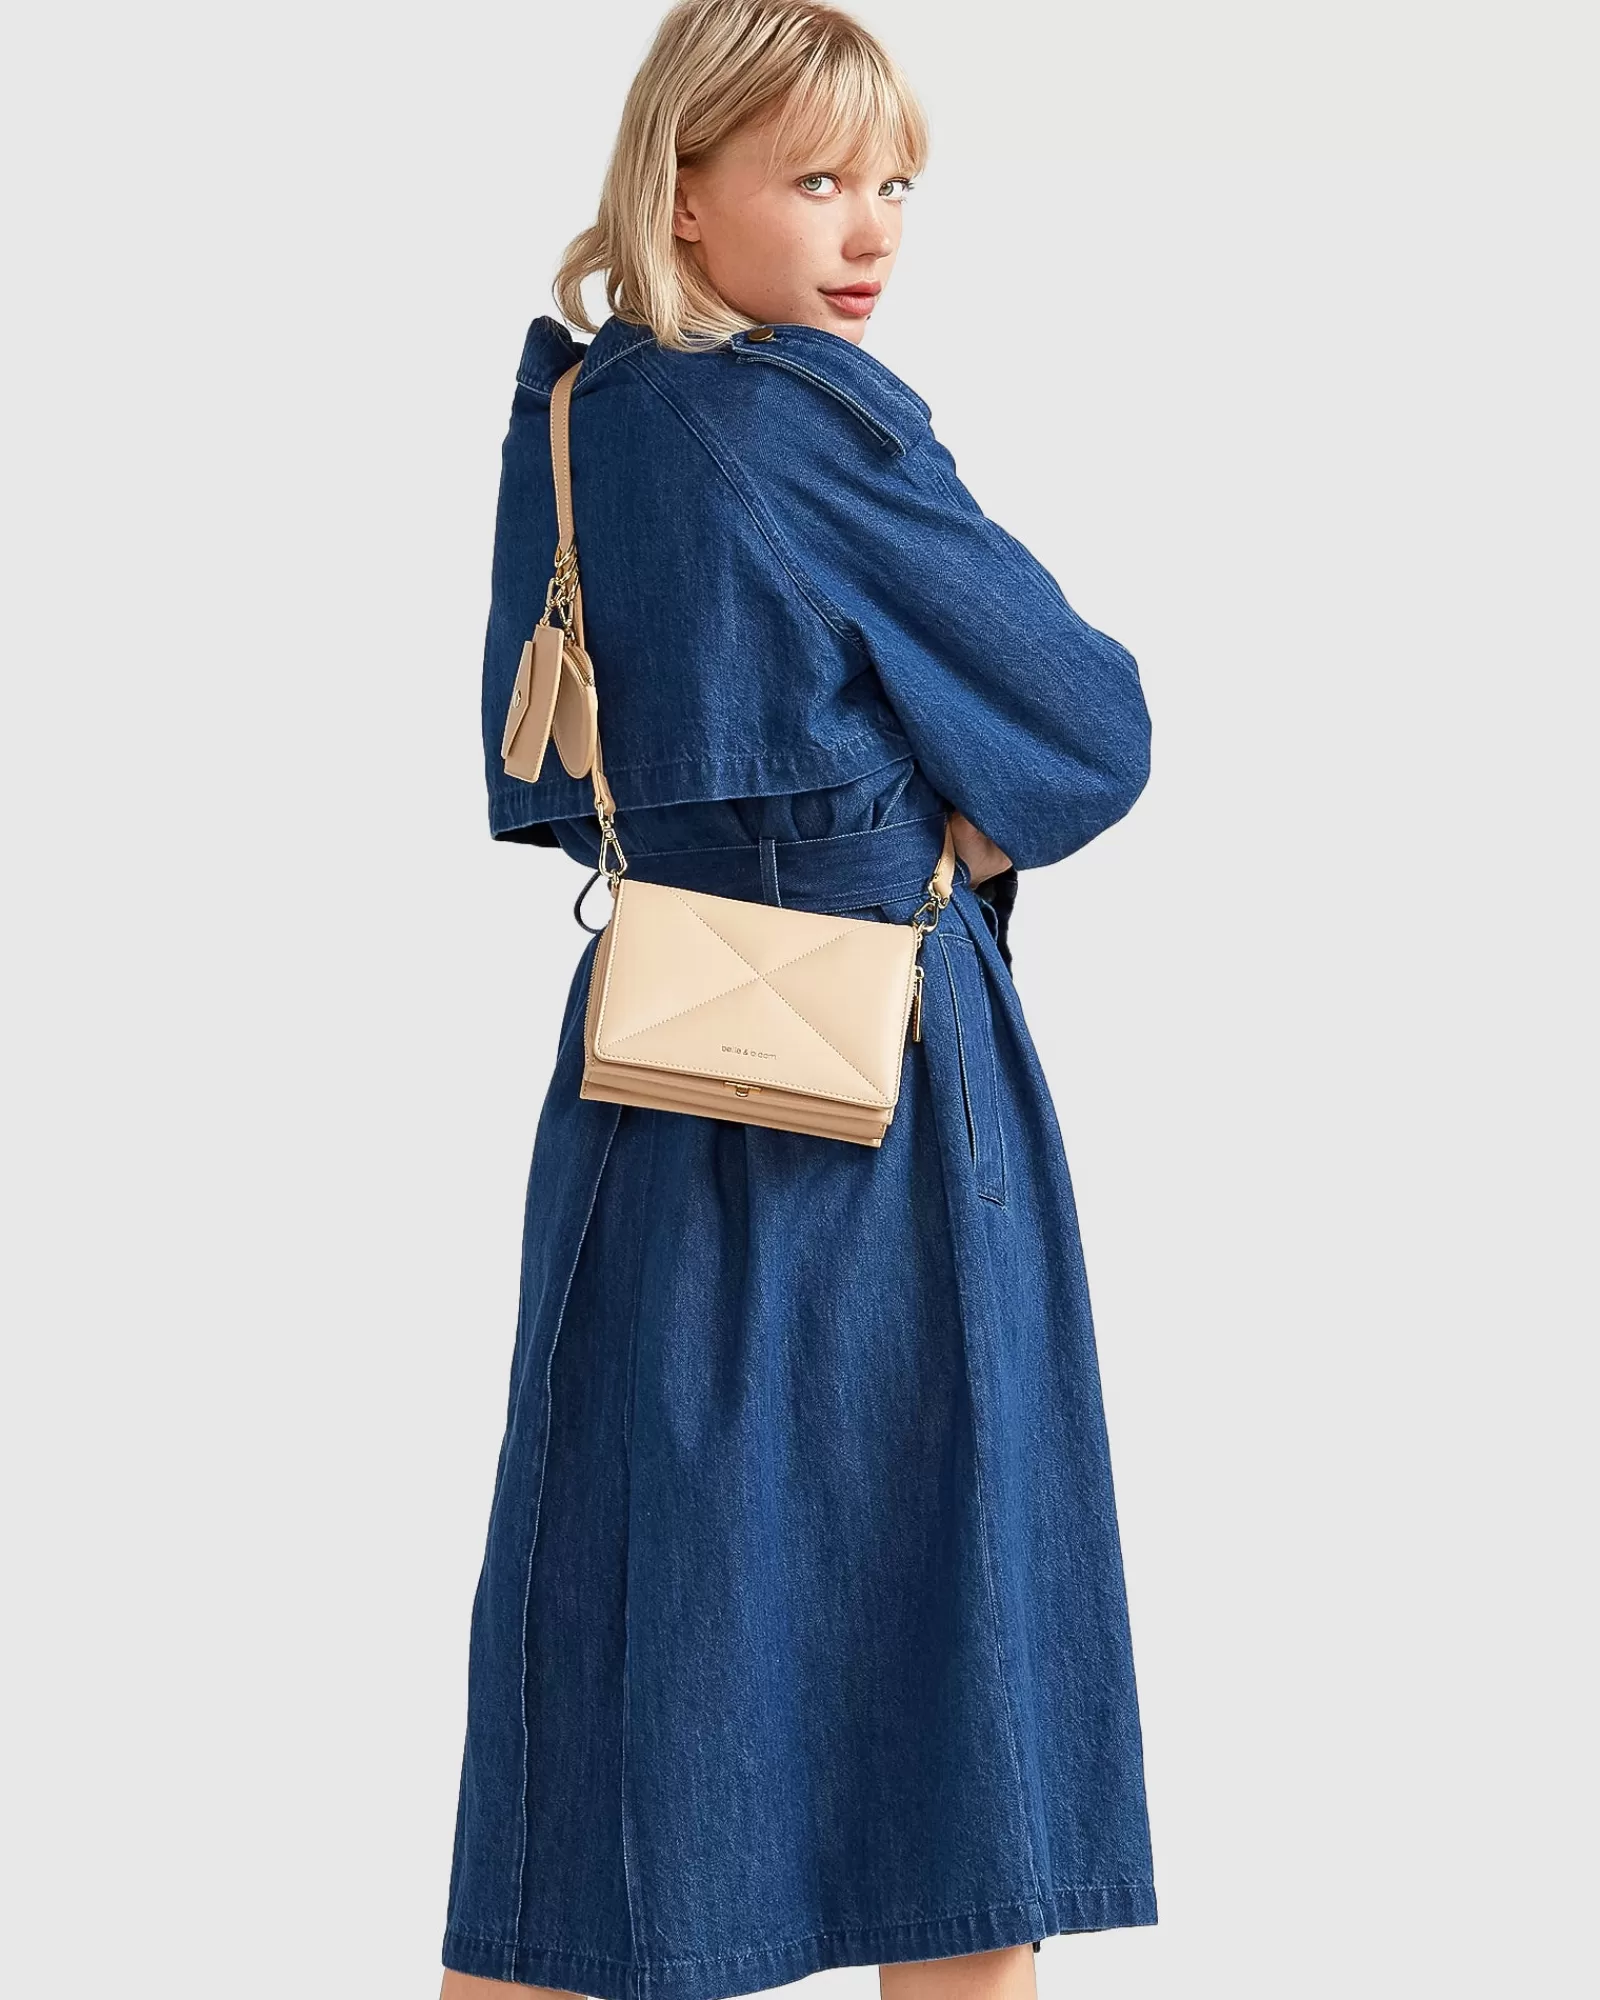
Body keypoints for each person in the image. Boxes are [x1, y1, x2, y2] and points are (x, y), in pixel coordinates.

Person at [441, 4, 1157, 1997]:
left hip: (647, 1070)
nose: (871, 230)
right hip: (883, 1077)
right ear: (681, 193)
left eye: (894, 182)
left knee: (602, 1633)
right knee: (947, 1636)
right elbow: (1089, 725)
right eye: (818, 177)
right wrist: (929, 838)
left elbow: (537, 778)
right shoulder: (800, 427)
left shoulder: (575, 417)